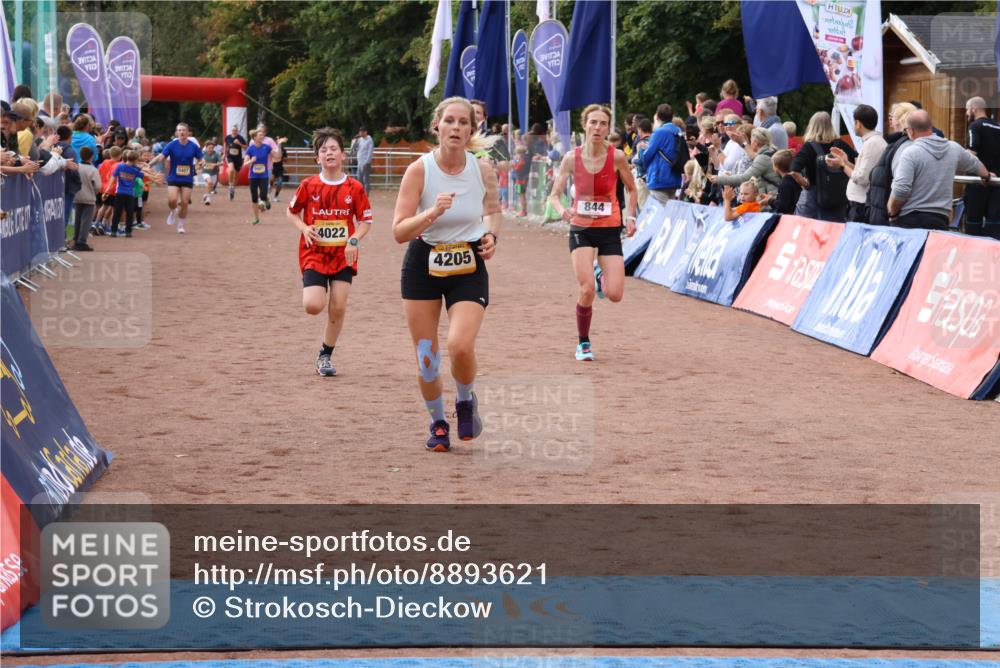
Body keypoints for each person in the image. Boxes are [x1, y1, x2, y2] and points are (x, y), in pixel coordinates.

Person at [391, 96, 501, 452]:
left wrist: (491, 235)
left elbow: (493, 211)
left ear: (472, 129)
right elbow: (399, 231)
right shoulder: (419, 170)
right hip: (423, 262)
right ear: (436, 126)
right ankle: (438, 422)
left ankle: (466, 400)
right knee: (427, 358)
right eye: (449, 121)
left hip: (468, 263)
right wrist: (431, 214)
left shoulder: (482, 169)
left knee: (460, 346)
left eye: (463, 122)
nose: (455, 127)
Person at [548, 104, 638, 362]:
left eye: (603, 124)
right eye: (593, 122)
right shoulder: (571, 158)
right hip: (582, 228)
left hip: (609, 229)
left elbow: (632, 189)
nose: (597, 128)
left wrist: (631, 216)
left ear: (608, 129)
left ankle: (601, 276)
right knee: (586, 290)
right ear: (584, 125)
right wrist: (562, 210)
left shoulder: (617, 157)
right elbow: (554, 195)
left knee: (615, 295)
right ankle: (583, 343)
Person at [287, 127, 373, 377]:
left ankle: (325, 355)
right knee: (313, 305)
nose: (329, 153)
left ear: (343, 155)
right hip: (314, 253)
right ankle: (315, 286)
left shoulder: (354, 187)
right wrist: (304, 228)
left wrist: (353, 240)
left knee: (338, 307)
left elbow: (365, 221)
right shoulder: (308, 185)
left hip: (343, 255)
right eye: (324, 150)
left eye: (334, 148)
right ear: (318, 158)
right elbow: (291, 212)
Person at [887, 110, 990, 231]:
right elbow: (975, 164)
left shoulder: (910, 153)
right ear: (930, 126)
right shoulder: (953, 148)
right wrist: (987, 175)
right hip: (940, 220)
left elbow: (901, 189)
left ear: (910, 130)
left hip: (910, 221)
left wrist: (892, 212)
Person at [790, 111, 856, 221]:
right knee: (835, 229)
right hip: (838, 197)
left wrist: (805, 184)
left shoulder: (808, 147)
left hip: (813, 199)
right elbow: (857, 164)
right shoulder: (840, 144)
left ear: (812, 126)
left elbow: (794, 171)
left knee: (808, 228)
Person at [825, 104, 886, 223]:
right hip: (860, 204)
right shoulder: (873, 141)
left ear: (858, 123)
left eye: (854, 122)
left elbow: (862, 178)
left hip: (861, 205)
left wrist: (842, 165)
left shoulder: (872, 143)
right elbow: (864, 172)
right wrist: (846, 162)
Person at [865, 102, 917, 227]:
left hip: (889, 221)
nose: (890, 119)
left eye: (892, 116)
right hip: (882, 216)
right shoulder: (895, 144)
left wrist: (892, 214)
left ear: (900, 120)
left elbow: (900, 186)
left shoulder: (904, 146)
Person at [150, 123, 204, 235]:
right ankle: (173, 210)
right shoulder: (172, 145)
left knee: (184, 202)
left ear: (188, 132)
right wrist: (149, 165)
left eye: (183, 130)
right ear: (176, 132)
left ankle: (180, 225)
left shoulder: (193, 146)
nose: (182, 132)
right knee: (172, 200)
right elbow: (161, 157)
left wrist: (201, 163)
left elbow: (201, 159)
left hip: (187, 178)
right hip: (174, 176)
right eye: (179, 130)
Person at [962, 96, 1000, 238]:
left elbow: (971, 153)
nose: (966, 113)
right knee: (994, 225)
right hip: (997, 183)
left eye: (967, 110)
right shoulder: (998, 127)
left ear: (973, 109)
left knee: (973, 224)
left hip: (978, 182)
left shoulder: (975, 126)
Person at [710, 127, 779, 199]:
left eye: (751, 140)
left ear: (755, 142)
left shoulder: (763, 158)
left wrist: (719, 179)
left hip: (770, 198)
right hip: (771, 196)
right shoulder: (770, 152)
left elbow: (744, 178)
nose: (750, 143)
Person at [642, 103, 685, 204]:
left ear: (658, 117)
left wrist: (644, 150)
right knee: (670, 208)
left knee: (661, 210)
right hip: (675, 176)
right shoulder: (678, 130)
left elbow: (647, 156)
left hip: (659, 177)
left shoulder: (659, 132)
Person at [71, 146, 102, 251]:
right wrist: (95, 191)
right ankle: (82, 241)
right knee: (86, 220)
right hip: (89, 197)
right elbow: (98, 186)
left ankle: (76, 239)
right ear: (92, 157)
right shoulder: (93, 170)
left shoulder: (77, 167)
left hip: (77, 195)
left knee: (77, 219)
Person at [243, 129, 273, 225]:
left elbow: (277, 156)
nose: (262, 136)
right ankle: (256, 218)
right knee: (254, 197)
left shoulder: (267, 147)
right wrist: (251, 161)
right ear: (255, 137)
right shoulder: (250, 149)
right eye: (260, 135)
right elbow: (245, 164)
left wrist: (279, 146)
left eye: (263, 135)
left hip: (264, 175)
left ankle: (265, 199)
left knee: (263, 194)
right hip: (253, 176)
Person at [762, 149, 802, 215]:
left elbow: (782, 207)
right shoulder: (795, 177)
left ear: (776, 167)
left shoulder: (785, 183)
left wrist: (770, 201)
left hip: (791, 216)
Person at [224, 124, 246, 200]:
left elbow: (246, 147)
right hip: (230, 157)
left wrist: (239, 143)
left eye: (235, 130)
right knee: (231, 170)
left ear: (237, 131)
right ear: (231, 131)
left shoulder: (240, 138)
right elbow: (225, 145)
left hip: (238, 158)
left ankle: (233, 188)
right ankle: (230, 185)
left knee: (236, 174)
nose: (234, 131)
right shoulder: (227, 137)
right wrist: (224, 154)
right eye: (233, 130)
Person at [354, 126, 373, 193]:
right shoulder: (359, 140)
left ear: (365, 132)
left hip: (366, 163)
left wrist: (367, 162)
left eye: (362, 132)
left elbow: (370, 152)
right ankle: (360, 194)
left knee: (365, 180)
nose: (360, 133)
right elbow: (354, 149)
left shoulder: (369, 140)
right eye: (360, 132)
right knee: (359, 179)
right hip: (359, 162)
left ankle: (366, 194)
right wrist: (355, 140)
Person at [201, 140, 221, 205]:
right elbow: (198, 161)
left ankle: (206, 195)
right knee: (209, 182)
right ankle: (208, 198)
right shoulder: (203, 154)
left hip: (213, 173)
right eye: (209, 148)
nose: (211, 149)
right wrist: (201, 163)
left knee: (210, 186)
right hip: (205, 172)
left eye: (212, 148)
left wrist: (215, 164)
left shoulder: (216, 154)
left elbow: (221, 162)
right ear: (206, 148)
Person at [271, 137, 288, 202]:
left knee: (280, 182)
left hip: (279, 167)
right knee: (271, 179)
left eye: (279, 139)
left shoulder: (283, 149)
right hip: (272, 166)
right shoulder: (271, 148)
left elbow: (286, 159)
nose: (277, 141)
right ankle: (269, 188)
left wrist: (283, 158)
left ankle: (276, 196)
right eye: (276, 140)